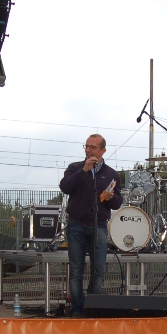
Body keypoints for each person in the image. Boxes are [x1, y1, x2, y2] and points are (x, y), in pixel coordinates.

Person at [60, 134, 123, 317]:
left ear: (103, 151)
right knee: (76, 270)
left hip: (99, 225)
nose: (88, 150)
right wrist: (83, 171)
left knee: (98, 271)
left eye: (93, 147)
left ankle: (93, 307)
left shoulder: (111, 174)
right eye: (86, 146)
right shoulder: (75, 168)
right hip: (76, 225)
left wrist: (112, 198)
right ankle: (77, 309)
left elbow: (117, 203)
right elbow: (65, 187)